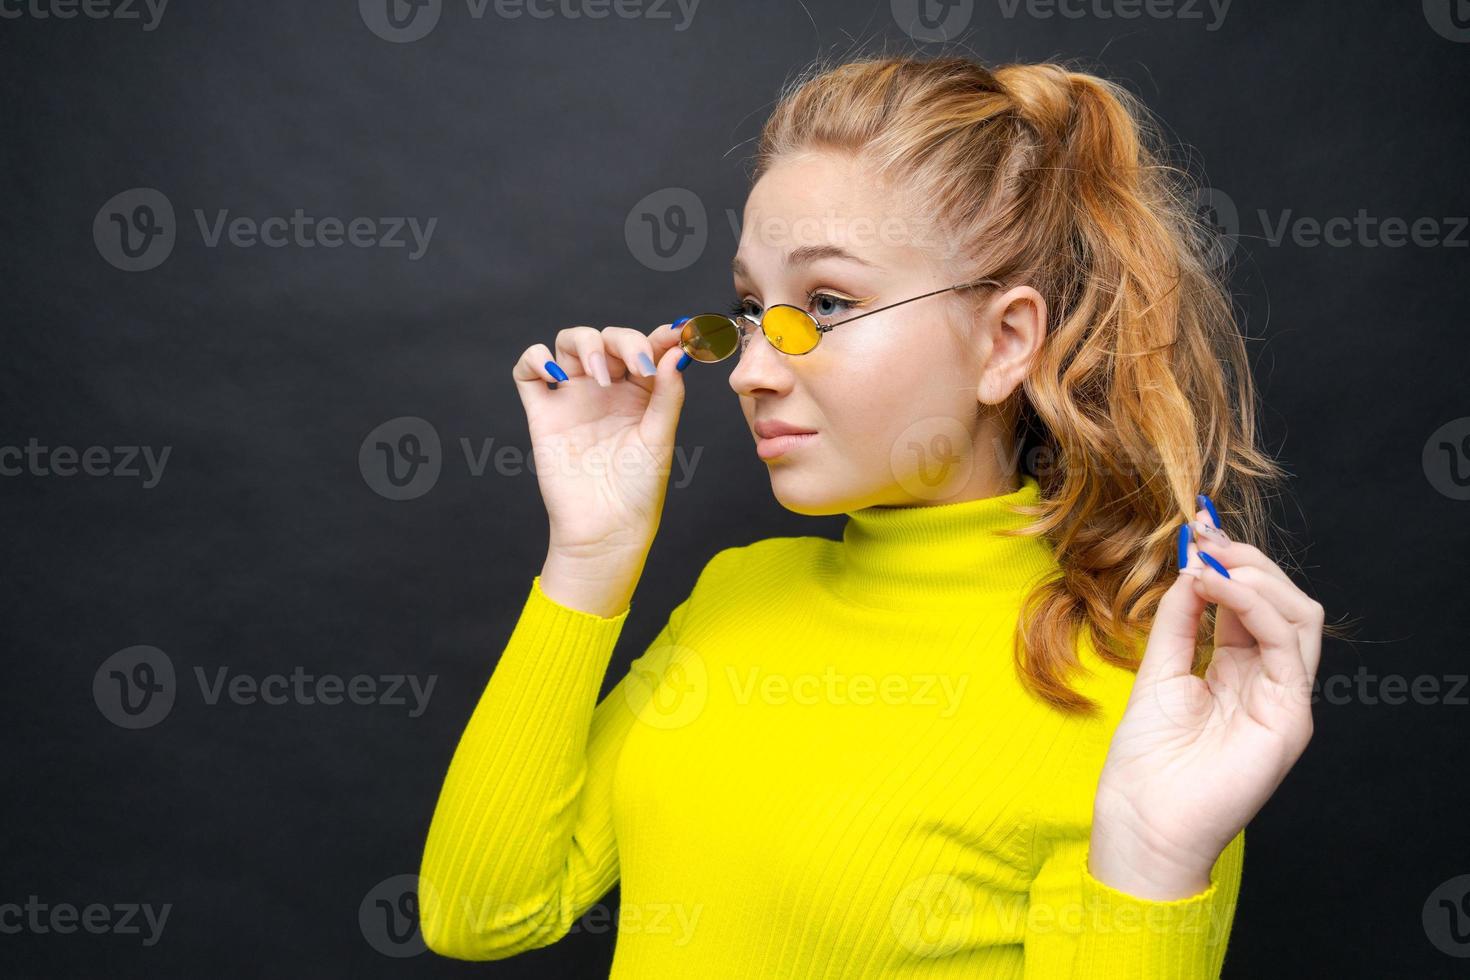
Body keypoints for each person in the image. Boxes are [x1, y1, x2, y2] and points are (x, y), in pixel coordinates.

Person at [418, 54, 1326, 978]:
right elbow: (479, 912)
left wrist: (1156, 863)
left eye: (825, 303)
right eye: (749, 308)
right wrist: (588, 558)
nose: (752, 369)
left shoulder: (1144, 690)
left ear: (1004, 341)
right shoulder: (736, 597)